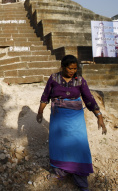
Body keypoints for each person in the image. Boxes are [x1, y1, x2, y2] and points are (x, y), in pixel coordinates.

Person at [36, 55, 107, 191]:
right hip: (58, 118)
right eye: (70, 68)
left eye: (75, 68)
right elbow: (45, 96)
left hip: (75, 119)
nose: (73, 71)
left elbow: (89, 99)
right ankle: (60, 172)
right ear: (63, 67)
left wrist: (99, 116)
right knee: (59, 144)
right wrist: (40, 112)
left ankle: (80, 177)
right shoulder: (53, 79)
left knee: (79, 145)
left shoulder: (80, 81)